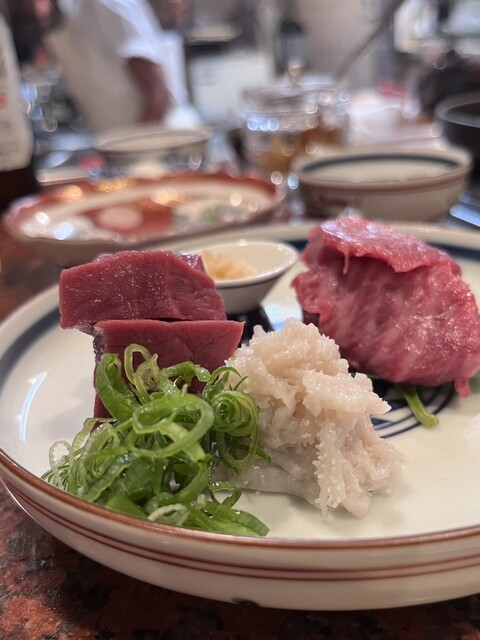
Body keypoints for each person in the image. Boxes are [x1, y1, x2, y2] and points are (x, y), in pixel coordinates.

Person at [43, 0, 201, 133]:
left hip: (160, 139)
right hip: (121, 141)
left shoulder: (107, 4)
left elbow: (158, 92)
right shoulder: (68, 10)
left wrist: (134, 150)